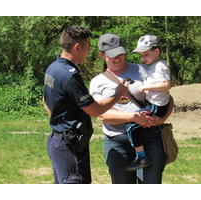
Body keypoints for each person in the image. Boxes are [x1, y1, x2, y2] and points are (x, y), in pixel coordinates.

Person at [42, 26, 129, 184]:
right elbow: (95, 110)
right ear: (77, 47)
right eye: (88, 47)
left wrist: (60, 121)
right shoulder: (69, 75)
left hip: (58, 140)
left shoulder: (53, 68)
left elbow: (45, 100)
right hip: (70, 147)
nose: (89, 51)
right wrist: (118, 94)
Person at [89, 33, 174, 184]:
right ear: (101, 55)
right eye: (112, 55)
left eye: (120, 54)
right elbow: (102, 114)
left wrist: (162, 119)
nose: (117, 58)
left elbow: (167, 97)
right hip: (117, 141)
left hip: (150, 137)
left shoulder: (141, 69)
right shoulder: (97, 82)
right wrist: (134, 118)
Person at [125, 34, 172, 171]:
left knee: (131, 127)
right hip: (152, 104)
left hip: (157, 106)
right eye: (141, 55)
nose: (143, 58)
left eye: (146, 54)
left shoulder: (160, 67)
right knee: (133, 125)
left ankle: (142, 157)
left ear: (156, 52)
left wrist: (146, 87)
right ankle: (141, 156)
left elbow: (167, 85)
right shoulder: (154, 66)